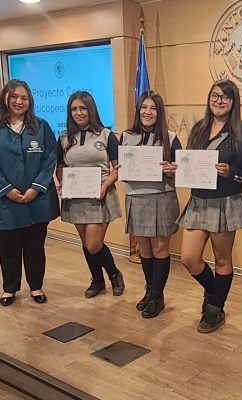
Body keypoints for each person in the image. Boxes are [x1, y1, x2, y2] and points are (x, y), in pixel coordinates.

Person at [177, 79, 242, 333]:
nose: (219, 101)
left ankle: (215, 308)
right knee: (188, 258)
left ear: (233, 102)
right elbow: (189, 161)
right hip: (198, 200)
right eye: (215, 95)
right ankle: (213, 292)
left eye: (226, 97)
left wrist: (229, 171)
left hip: (225, 201)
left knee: (221, 258)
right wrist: (177, 169)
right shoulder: (199, 128)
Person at [56, 91, 125, 298]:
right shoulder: (64, 137)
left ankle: (114, 274)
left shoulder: (106, 135)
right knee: (86, 243)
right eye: (74, 109)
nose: (78, 113)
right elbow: (60, 167)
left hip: (100, 196)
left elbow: (117, 169)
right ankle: (97, 280)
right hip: (76, 198)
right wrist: (63, 185)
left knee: (94, 244)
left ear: (91, 109)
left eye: (83, 108)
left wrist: (105, 186)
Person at [120, 90, 181, 318]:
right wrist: (120, 169)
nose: (147, 112)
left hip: (161, 198)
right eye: (144, 107)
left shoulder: (170, 137)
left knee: (160, 249)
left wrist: (172, 170)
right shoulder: (126, 136)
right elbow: (122, 170)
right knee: (144, 249)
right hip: (136, 197)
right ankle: (150, 290)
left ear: (160, 112)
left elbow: (182, 171)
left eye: (153, 108)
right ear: (138, 110)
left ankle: (157, 296)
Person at [0, 79, 59, 306]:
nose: (19, 101)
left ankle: (36, 286)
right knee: (8, 249)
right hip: (6, 203)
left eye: (24, 97)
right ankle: (9, 288)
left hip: (37, 202)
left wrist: (36, 188)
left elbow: (50, 158)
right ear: (5, 98)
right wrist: (6, 189)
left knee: (35, 248)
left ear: (30, 101)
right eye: (14, 96)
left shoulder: (41, 126)